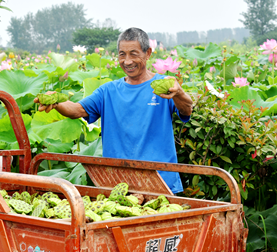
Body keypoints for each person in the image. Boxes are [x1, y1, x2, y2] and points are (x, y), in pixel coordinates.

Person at [34, 27, 193, 193]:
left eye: (133, 54)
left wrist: (179, 93)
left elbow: (186, 110)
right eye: (122, 54)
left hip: (161, 184)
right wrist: (57, 101)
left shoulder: (164, 86)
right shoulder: (108, 91)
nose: (127, 61)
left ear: (148, 53)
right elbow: (76, 110)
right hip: (119, 185)